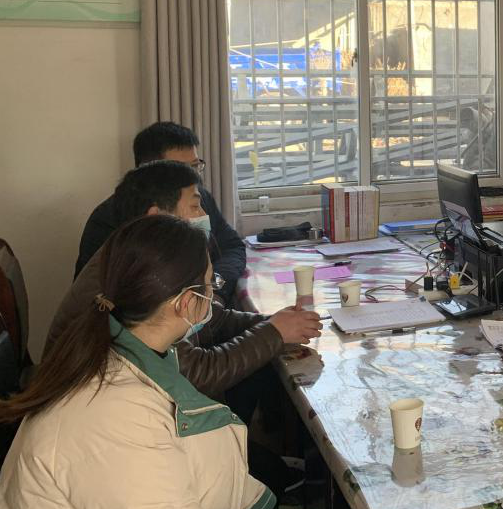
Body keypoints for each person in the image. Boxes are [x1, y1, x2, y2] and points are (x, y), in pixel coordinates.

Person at [0, 215, 356, 509]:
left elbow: (189, 457)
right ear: (187, 303)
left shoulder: (137, 354)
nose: (213, 296)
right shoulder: (110, 409)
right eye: (210, 285)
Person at [49, 160, 320, 406]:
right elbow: (198, 374)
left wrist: (272, 323)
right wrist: (273, 333)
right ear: (157, 216)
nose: (204, 215)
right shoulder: (137, 276)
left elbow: (209, 319)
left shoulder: (140, 255)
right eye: (194, 206)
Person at [76, 121, 245, 304]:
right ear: (149, 170)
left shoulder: (200, 198)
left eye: (195, 166)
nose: (192, 177)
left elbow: (232, 247)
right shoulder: (108, 220)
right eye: (180, 169)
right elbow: (97, 300)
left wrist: (214, 291)